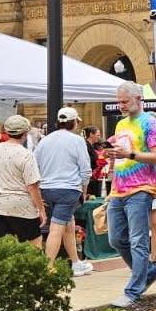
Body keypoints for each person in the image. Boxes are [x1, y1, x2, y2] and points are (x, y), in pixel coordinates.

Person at [105, 81, 156, 309]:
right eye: (119, 101)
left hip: (141, 188)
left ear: (139, 99)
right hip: (119, 188)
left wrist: (130, 153)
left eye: (125, 101)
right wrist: (113, 157)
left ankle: (133, 291)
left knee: (138, 240)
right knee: (116, 238)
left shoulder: (150, 122)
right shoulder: (120, 125)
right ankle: (148, 272)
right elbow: (122, 157)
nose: (121, 106)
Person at [34, 107, 93, 274]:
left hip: (47, 188)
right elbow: (85, 170)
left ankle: (76, 263)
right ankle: (48, 267)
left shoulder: (44, 140)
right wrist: (84, 191)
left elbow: (34, 163)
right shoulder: (77, 141)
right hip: (68, 189)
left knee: (68, 224)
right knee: (57, 228)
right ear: (74, 122)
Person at [0, 114, 47, 245]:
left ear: (6, 131)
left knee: (3, 249)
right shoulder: (25, 154)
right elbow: (32, 186)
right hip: (21, 207)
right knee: (34, 245)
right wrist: (41, 210)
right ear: (26, 132)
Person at [83, 125, 108, 198]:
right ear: (91, 134)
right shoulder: (85, 146)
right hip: (88, 178)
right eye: (98, 135)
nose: (99, 137)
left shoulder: (90, 146)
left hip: (91, 177)